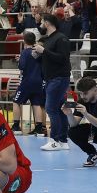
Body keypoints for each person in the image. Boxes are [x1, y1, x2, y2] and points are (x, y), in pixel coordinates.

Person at [36, 13, 73, 151]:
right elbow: (49, 57)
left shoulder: (61, 38)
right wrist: (39, 54)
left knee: (51, 108)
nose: (40, 25)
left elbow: (63, 58)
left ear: (47, 23)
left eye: (42, 22)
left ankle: (55, 139)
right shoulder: (48, 39)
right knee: (58, 108)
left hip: (58, 78)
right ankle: (63, 140)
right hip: (52, 78)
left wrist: (44, 51)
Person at [12, 32, 46, 137]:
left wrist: (19, 60)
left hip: (27, 81)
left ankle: (16, 127)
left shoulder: (25, 52)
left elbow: (22, 66)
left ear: (24, 41)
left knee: (16, 101)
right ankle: (39, 128)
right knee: (36, 103)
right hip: (39, 81)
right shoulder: (39, 51)